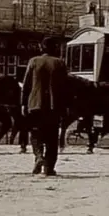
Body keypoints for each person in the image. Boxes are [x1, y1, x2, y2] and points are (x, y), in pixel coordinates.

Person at [21, 37, 68, 176]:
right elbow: (65, 88)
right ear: (55, 48)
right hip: (54, 107)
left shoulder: (33, 61)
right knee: (52, 137)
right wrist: (64, 107)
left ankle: (39, 156)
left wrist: (23, 103)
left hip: (35, 104)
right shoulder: (60, 63)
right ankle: (49, 167)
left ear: (42, 48)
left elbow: (26, 85)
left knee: (36, 134)